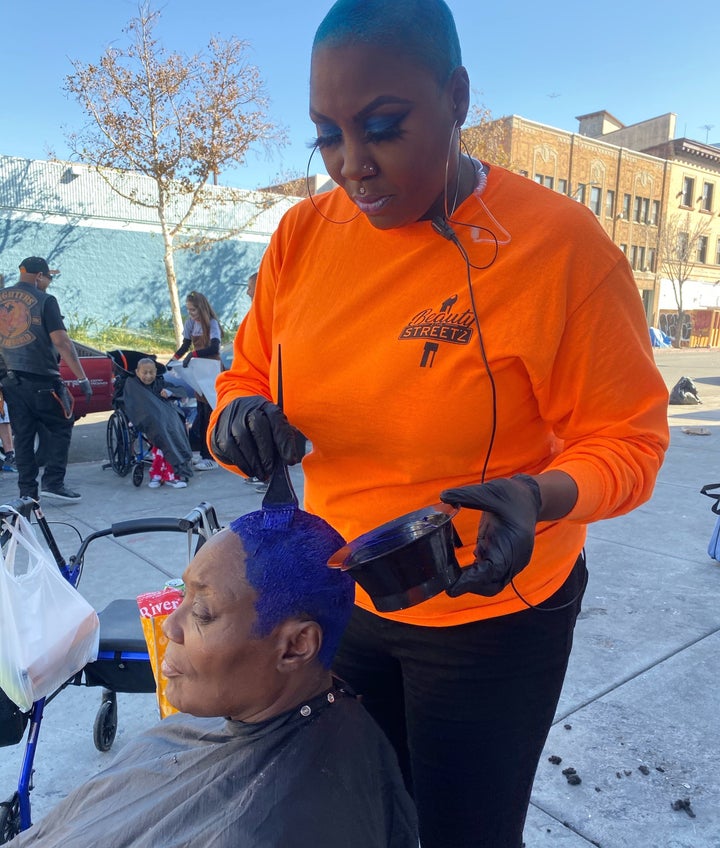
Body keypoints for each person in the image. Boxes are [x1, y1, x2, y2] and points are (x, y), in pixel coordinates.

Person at [207, 2, 670, 846]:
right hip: (341, 596)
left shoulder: (559, 248)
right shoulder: (302, 237)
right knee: (362, 817)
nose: (354, 165)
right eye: (327, 135)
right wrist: (236, 416)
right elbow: (245, 371)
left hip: (491, 617)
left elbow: (631, 441)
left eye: (383, 127)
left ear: (456, 97)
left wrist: (543, 494)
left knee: (465, 831)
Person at [8, 508, 418, 848]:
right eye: (182, 596)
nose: (170, 626)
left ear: (295, 646)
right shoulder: (265, 715)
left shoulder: (264, 828)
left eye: (202, 613)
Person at [0, 258, 92, 503]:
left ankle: (27, 493)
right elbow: (62, 341)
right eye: (48, 278)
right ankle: (53, 481)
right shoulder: (45, 300)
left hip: (9, 380)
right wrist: (82, 377)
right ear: (39, 276)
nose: (49, 282)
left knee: (23, 435)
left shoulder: (1, 297)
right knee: (62, 424)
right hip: (41, 378)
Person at [169, 290, 222, 471]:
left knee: (209, 413)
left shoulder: (212, 324)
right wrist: (173, 359)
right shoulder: (191, 324)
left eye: (193, 310)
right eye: (188, 310)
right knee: (201, 412)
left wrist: (194, 354)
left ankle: (211, 457)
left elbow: (214, 347)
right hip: (199, 370)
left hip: (211, 369)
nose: (190, 313)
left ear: (202, 308)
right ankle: (203, 452)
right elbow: (185, 345)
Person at [134, 357, 189, 489]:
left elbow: (180, 390)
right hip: (148, 422)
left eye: (151, 372)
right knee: (166, 440)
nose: (148, 376)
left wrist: (169, 392)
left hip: (165, 421)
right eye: (145, 373)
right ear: (137, 372)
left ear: (156, 372)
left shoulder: (160, 383)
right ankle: (167, 475)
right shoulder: (134, 387)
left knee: (169, 436)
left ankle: (158, 474)